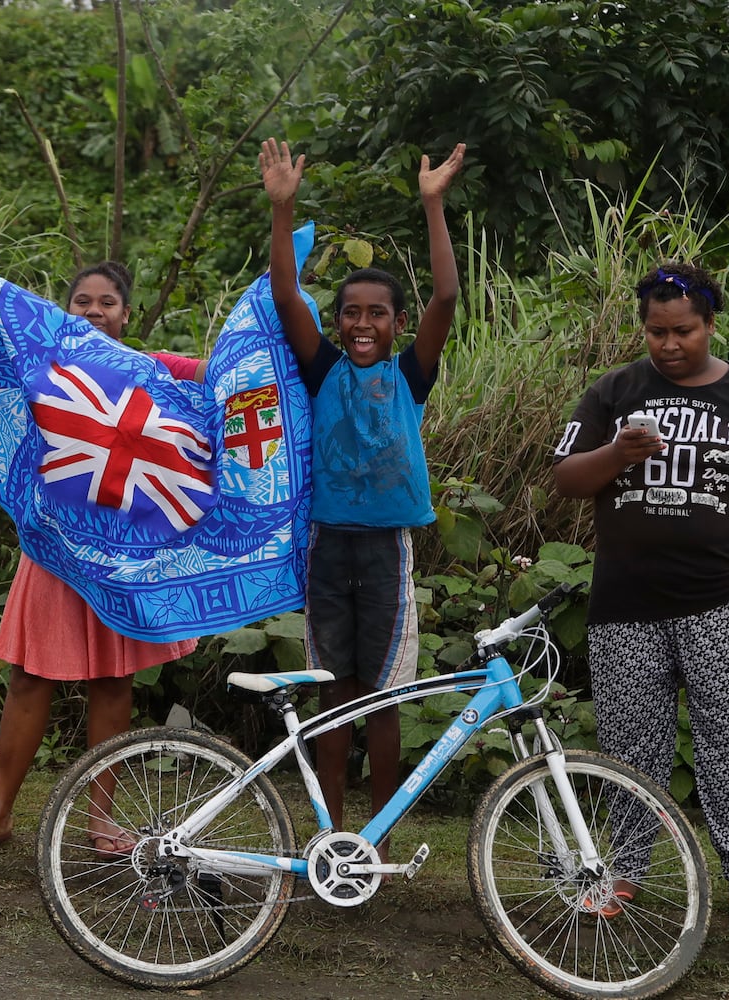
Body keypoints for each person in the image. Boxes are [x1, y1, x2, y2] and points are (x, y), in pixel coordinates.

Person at [551, 261, 729, 937]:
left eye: (683, 331)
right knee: (631, 748)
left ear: (710, 325)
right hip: (626, 605)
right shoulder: (613, 393)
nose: (668, 344)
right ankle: (627, 871)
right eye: (656, 331)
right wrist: (617, 454)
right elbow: (567, 480)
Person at [0, 261, 205, 877]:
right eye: (80, 301)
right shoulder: (39, 370)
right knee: (31, 680)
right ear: (64, 311)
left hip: (121, 557)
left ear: (127, 314)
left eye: (107, 302)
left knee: (112, 684)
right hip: (55, 551)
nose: (92, 311)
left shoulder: (154, 370)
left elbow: (224, 380)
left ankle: (99, 818)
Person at [259, 137, 465, 857]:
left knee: (385, 695)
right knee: (333, 690)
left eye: (378, 314)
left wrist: (432, 204)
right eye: (351, 313)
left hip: (385, 548)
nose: (363, 324)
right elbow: (286, 294)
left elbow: (445, 294)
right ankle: (331, 831)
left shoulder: (412, 373)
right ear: (337, 322)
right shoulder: (322, 370)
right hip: (327, 546)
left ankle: (377, 839)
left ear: (397, 324)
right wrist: (283, 211)